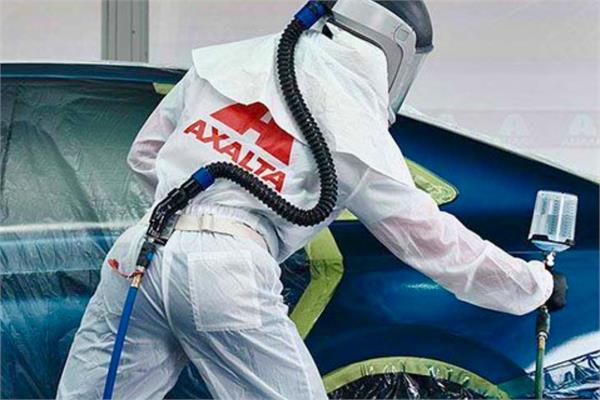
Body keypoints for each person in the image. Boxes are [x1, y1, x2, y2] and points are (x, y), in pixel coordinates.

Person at [57, 1, 566, 399]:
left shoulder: (228, 60)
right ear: (397, 47)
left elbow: (146, 154)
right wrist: (531, 286)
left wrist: (190, 218)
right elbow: (427, 238)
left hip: (139, 252)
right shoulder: (353, 118)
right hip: (227, 269)